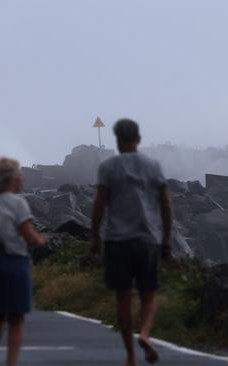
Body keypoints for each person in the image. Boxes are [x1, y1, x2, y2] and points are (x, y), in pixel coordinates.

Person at [90, 119, 172, 366]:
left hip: (117, 240)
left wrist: (95, 237)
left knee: (123, 297)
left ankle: (130, 355)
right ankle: (145, 333)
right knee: (149, 293)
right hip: (147, 239)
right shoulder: (153, 166)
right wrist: (166, 239)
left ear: (117, 140)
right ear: (138, 138)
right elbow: (165, 205)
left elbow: (100, 204)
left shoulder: (108, 167)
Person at [0, 157, 47, 366]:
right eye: (20, 173)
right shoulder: (18, 203)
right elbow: (27, 233)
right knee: (16, 320)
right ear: (11, 179)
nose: (23, 176)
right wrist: (41, 240)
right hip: (13, 263)